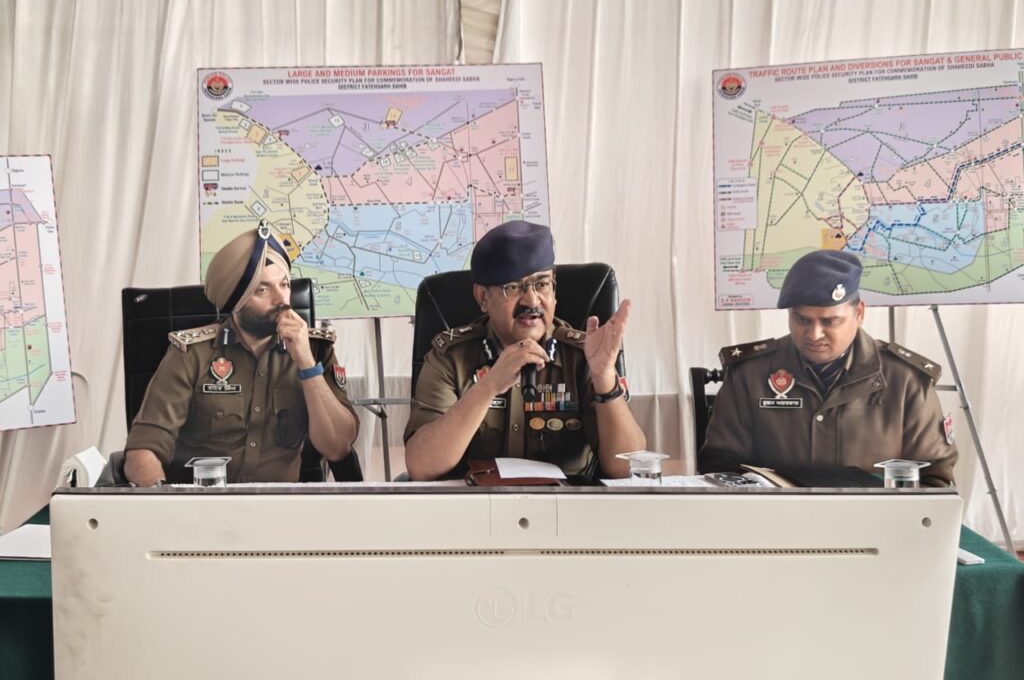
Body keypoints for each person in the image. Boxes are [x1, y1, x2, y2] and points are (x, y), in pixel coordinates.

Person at [404, 220, 646, 481]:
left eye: (542, 284)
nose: (531, 300)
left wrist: (604, 378)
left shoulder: (583, 355)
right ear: (483, 297)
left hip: (567, 502)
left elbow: (627, 468)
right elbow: (422, 466)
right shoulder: (450, 357)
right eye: (513, 287)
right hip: (475, 502)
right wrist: (487, 387)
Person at [124, 222, 358, 486]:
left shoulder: (316, 350)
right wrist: (168, 505)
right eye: (262, 290)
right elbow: (143, 450)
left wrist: (306, 363)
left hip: (280, 504)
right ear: (236, 299)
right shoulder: (192, 353)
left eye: (284, 284)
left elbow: (338, 448)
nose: (281, 300)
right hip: (203, 503)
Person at [699, 249, 957, 486]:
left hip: (873, 520)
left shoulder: (906, 380)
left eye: (830, 321)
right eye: (802, 320)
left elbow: (934, 480)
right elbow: (720, 467)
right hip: (776, 517)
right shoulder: (749, 375)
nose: (814, 334)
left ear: (859, 313)